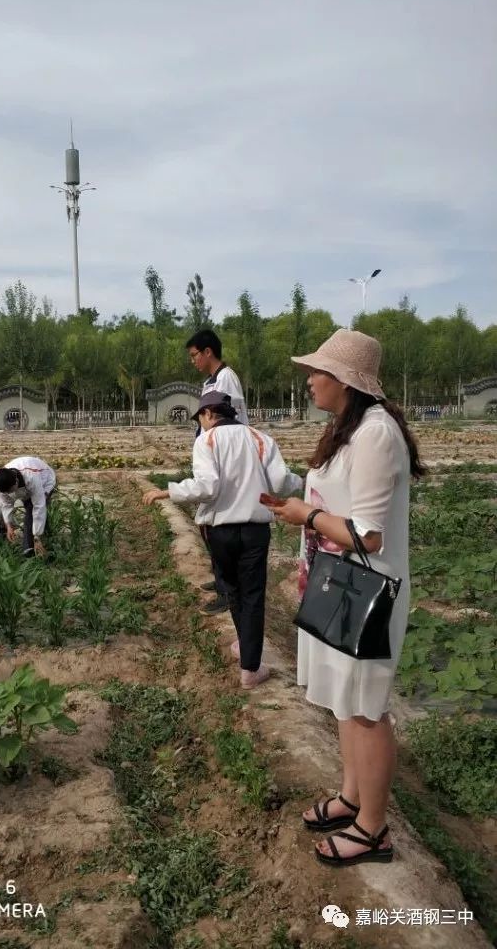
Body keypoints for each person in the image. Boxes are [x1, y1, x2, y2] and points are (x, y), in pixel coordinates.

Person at [271, 328, 426, 867]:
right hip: (341, 582)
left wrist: (305, 516)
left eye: (317, 372)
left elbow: (370, 534)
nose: (310, 379)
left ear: (344, 381)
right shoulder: (350, 427)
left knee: (366, 707)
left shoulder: (375, 434)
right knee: (346, 699)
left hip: (368, 589)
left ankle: (373, 829)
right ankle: (352, 796)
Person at [143, 390, 302, 689]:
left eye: (200, 418)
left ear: (208, 414)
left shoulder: (207, 440)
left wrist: (170, 491)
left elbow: (208, 486)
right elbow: (281, 481)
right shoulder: (260, 438)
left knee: (232, 589)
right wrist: (301, 481)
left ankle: (246, 651)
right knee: (253, 594)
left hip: (221, 531)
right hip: (255, 530)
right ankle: (250, 666)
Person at [186, 328, 250, 615]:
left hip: (225, 460)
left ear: (208, 351)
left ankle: (229, 592)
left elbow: (231, 419)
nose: (193, 361)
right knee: (209, 525)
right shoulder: (211, 381)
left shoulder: (226, 378)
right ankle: (221, 578)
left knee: (219, 528)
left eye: (194, 355)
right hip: (212, 457)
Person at [0, 456, 56, 558]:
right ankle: (47, 537)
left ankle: (28, 549)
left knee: (32, 510)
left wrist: (37, 537)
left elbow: (38, 506)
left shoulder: (31, 477)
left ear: (16, 481)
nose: (9, 494)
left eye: (11, 490)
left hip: (45, 480)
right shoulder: (2, 482)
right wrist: (9, 526)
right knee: (32, 512)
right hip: (26, 487)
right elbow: (6, 504)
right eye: (7, 492)